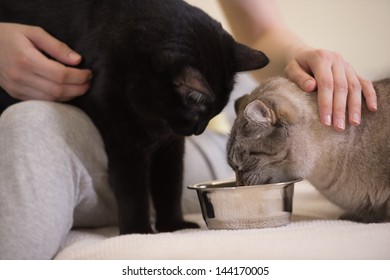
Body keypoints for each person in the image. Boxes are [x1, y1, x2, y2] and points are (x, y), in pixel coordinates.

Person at [0, 0, 377, 259]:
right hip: (56, 118)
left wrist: (302, 56)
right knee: (28, 127)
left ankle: (222, 139)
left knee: (226, 125)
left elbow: (261, 34)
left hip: (178, 117)